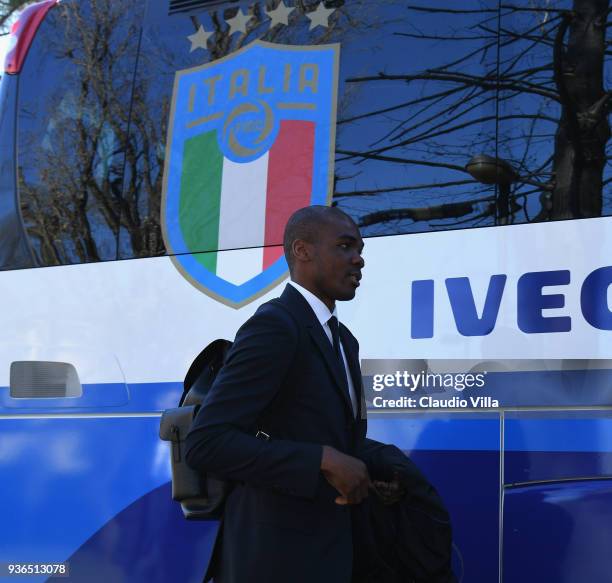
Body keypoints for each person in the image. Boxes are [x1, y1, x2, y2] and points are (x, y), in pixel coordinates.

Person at [185, 205, 402, 583]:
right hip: (274, 560)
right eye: (346, 246)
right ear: (303, 251)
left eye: (361, 250)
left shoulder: (343, 340)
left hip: (328, 554)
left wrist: (373, 469)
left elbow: (328, 435)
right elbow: (206, 443)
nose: (358, 260)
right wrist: (321, 460)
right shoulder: (276, 326)